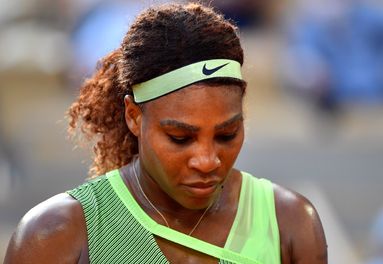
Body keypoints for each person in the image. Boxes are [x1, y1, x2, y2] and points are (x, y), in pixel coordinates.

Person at [4, 3, 327, 263]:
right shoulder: (56, 233)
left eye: (227, 134)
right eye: (180, 138)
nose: (207, 160)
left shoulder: (291, 222)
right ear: (133, 116)